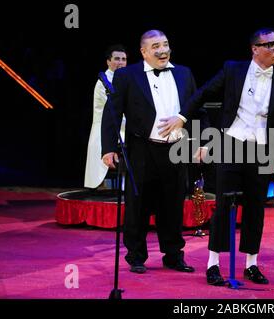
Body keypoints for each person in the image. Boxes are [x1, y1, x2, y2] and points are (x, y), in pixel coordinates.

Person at [159, 28, 274, 285]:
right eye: (270, 44)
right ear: (255, 48)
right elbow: (204, 93)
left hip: (262, 151)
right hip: (231, 144)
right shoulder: (233, 70)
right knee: (223, 206)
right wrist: (182, 117)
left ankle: (251, 265)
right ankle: (213, 263)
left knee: (255, 209)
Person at [101, 30, 196, 274]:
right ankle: (136, 255)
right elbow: (112, 112)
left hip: (176, 149)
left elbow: (197, 109)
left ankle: (173, 255)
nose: (162, 50)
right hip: (141, 148)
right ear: (144, 51)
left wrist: (199, 143)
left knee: (173, 204)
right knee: (138, 204)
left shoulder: (184, 73)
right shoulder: (127, 75)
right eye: (155, 46)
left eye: (165, 44)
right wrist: (109, 148)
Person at [84, 44, 127, 189]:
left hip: (123, 127)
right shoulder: (103, 83)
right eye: (117, 59)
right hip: (105, 130)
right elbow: (114, 112)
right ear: (108, 61)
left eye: (123, 59)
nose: (120, 62)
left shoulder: (125, 80)